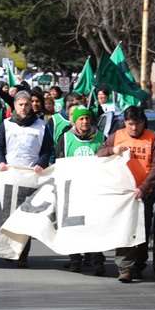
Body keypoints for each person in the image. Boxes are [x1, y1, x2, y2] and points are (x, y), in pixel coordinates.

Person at [96, 106, 155, 283]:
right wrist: (112, 150)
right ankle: (125, 268)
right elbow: (99, 154)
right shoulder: (117, 137)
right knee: (125, 228)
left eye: (138, 124)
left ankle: (138, 265)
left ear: (143, 123)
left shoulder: (152, 139)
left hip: (144, 193)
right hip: (122, 193)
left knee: (141, 231)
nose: (134, 128)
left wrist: (144, 186)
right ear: (125, 123)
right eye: (131, 124)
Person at [0, 90, 53, 268]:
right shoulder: (6, 124)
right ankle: (9, 249)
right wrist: (0, 162)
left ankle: (23, 254)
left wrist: (42, 163)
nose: (24, 108)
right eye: (21, 104)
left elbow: (47, 150)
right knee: (8, 215)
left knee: (25, 217)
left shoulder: (42, 126)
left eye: (27, 104)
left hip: (31, 177)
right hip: (10, 175)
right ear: (15, 106)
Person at [55, 105, 106, 275]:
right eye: (81, 119)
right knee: (73, 227)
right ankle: (75, 260)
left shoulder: (100, 137)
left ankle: (97, 260)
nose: (84, 122)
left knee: (95, 225)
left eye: (87, 118)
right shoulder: (66, 138)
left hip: (94, 190)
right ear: (74, 121)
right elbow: (59, 162)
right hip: (73, 190)